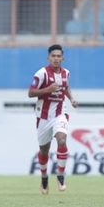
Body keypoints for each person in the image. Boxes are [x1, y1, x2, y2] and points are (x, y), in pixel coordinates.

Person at [27, 44, 78, 195]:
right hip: (43, 116)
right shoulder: (41, 74)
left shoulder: (66, 73)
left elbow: (66, 87)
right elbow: (30, 93)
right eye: (53, 56)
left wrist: (72, 99)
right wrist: (47, 90)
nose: (56, 59)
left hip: (60, 112)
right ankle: (44, 177)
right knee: (44, 150)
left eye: (58, 56)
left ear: (63, 58)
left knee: (62, 140)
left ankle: (61, 175)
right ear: (48, 58)